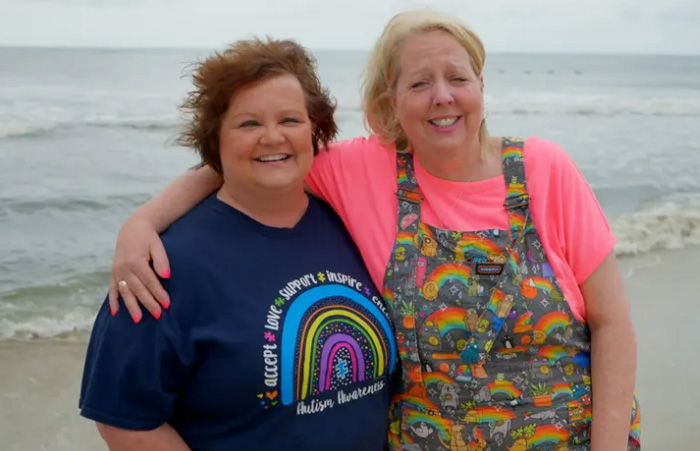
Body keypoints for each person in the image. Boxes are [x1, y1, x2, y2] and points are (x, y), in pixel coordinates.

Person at [108, 10, 641, 451]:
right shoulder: (365, 171)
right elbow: (254, 154)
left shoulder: (544, 169)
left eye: (457, 77)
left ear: (481, 85)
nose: (442, 96)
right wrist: (144, 222)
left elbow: (612, 324)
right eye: (419, 83)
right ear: (390, 102)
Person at [79, 37, 397, 451]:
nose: (272, 137)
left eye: (290, 120)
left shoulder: (350, 223)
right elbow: (125, 422)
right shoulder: (163, 264)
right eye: (249, 124)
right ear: (216, 140)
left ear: (316, 131)